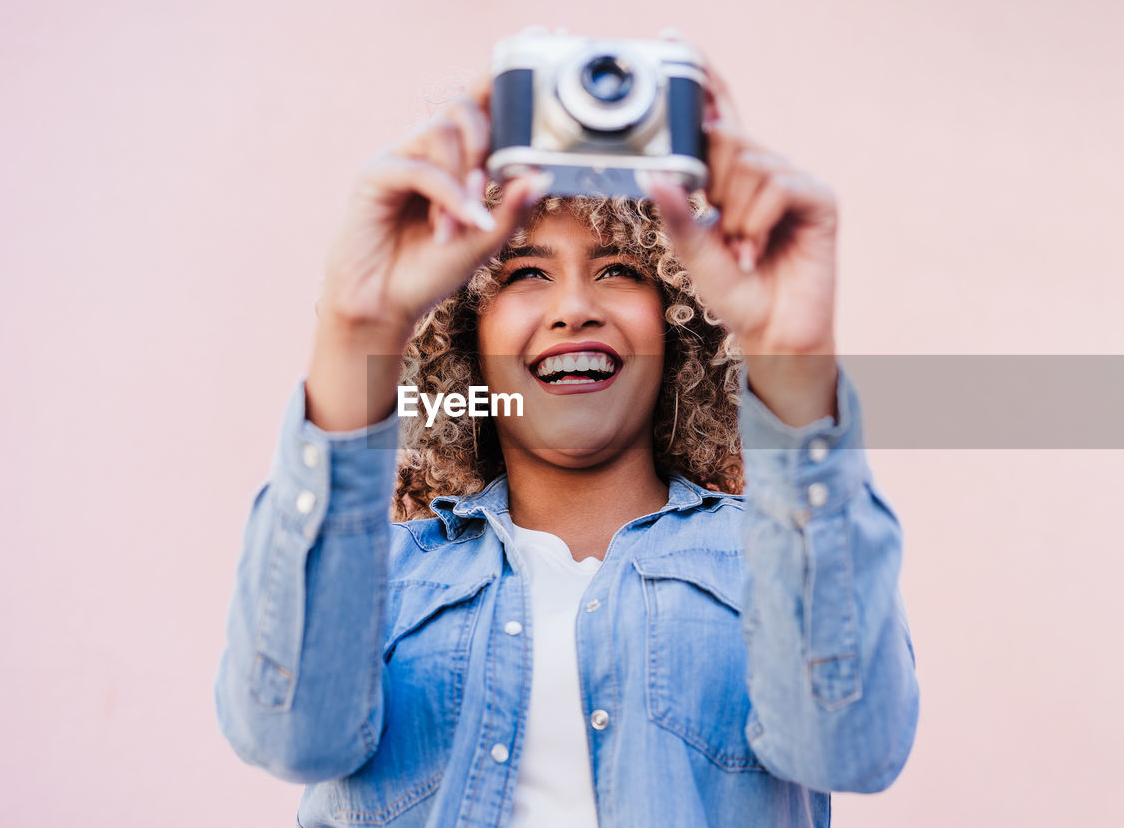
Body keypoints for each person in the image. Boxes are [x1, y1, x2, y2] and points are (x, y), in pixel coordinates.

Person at [215, 65, 919, 827]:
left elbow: (854, 746)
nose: (574, 308)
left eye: (618, 269)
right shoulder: (381, 577)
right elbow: (284, 733)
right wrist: (356, 331)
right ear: (463, 334)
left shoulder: (770, 559)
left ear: (681, 323)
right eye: (524, 273)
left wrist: (794, 358)